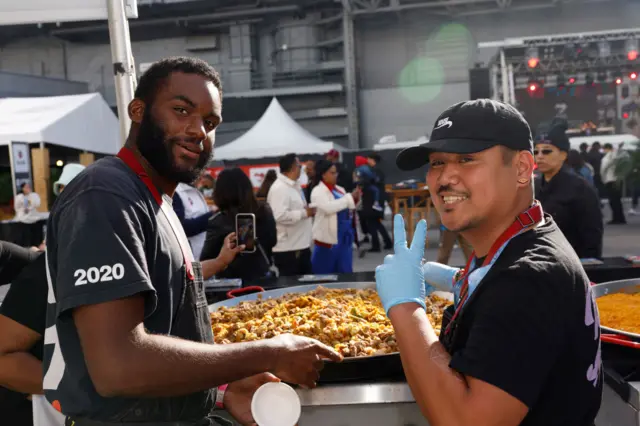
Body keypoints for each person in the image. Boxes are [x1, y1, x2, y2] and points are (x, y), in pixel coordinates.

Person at [42, 57, 341, 426]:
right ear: (138, 111)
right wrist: (268, 352)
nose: (198, 130)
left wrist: (220, 388)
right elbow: (118, 367)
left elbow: (161, 335)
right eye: (181, 110)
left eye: (210, 122)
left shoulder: (155, 198)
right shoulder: (105, 194)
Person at [377, 99, 602, 426]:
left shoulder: (528, 279)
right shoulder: (529, 237)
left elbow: (469, 422)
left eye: (467, 159)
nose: (444, 178)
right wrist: (466, 281)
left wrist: (406, 309)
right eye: (437, 162)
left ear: (523, 168)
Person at [534, 124, 603, 259]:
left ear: (563, 155)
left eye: (547, 151)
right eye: (536, 152)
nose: (540, 156)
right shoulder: (533, 187)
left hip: (571, 266)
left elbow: (591, 239)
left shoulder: (580, 189)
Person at [200, 168, 277, 281]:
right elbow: (272, 241)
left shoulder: (218, 221)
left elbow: (206, 259)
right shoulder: (264, 211)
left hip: (230, 284)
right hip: (262, 278)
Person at [267, 153, 316, 277]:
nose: (302, 169)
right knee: (291, 288)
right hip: (289, 250)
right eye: (300, 166)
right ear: (293, 167)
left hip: (300, 245)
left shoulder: (294, 185)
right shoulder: (280, 188)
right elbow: (279, 215)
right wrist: (304, 213)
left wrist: (305, 210)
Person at [310, 160, 360, 274]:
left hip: (344, 237)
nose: (335, 175)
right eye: (332, 173)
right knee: (324, 274)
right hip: (328, 239)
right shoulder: (317, 191)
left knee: (345, 271)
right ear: (323, 174)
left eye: (336, 173)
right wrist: (349, 198)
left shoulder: (340, 189)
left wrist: (355, 198)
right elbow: (328, 208)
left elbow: (348, 206)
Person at [173, 181, 214, 260]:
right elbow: (181, 228)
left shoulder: (196, 190)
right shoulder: (176, 193)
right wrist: (212, 216)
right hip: (191, 261)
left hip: (203, 257)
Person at [601, 142, 627, 224]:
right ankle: (620, 218)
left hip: (610, 181)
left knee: (613, 201)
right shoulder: (616, 157)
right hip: (617, 180)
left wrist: (603, 179)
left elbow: (603, 170)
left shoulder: (607, 158)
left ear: (606, 148)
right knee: (617, 201)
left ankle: (616, 218)